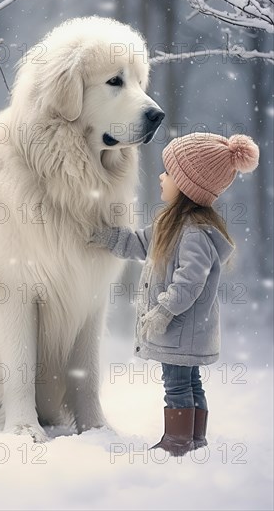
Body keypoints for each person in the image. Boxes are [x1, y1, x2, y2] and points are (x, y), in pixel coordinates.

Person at [87, 132, 260, 457]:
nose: (161, 177)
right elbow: (139, 244)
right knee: (190, 383)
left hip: (179, 331)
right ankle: (194, 438)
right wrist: (106, 237)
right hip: (185, 333)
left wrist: (164, 311)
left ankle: (178, 441)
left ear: (188, 186)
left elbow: (189, 282)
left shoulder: (193, 232)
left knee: (177, 385)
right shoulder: (173, 224)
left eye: (169, 173)